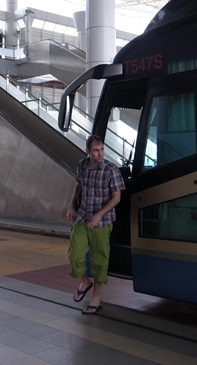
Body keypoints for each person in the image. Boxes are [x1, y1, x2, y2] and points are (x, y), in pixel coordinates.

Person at [66, 134, 125, 315]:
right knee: (75, 255)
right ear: (87, 151)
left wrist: (100, 214)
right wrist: (71, 206)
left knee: (100, 260)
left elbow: (117, 197)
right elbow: (79, 186)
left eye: (102, 150)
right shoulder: (81, 166)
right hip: (82, 217)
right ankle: (85, 282)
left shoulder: (111, 169)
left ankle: (96, 298)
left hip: (102, 222)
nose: (100, 154)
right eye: (96, 151)